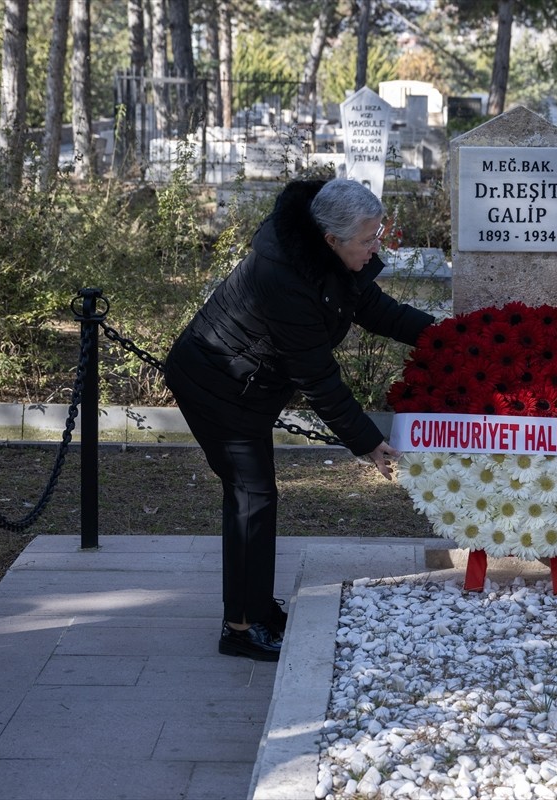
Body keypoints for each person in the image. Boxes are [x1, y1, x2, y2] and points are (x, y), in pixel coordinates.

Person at [164, 178, 434, 661]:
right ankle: (241, 627)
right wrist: (368, 442)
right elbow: (318, 378)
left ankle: (256, 609)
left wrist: (451, 337)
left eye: (378, 235)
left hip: (246, 384)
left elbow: (381, 312)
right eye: (368, 240)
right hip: (218, 384)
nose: (376, 248)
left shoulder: (323, 257)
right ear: (331, 239)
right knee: (252, 497)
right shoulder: (284, 278)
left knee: (255, 497)